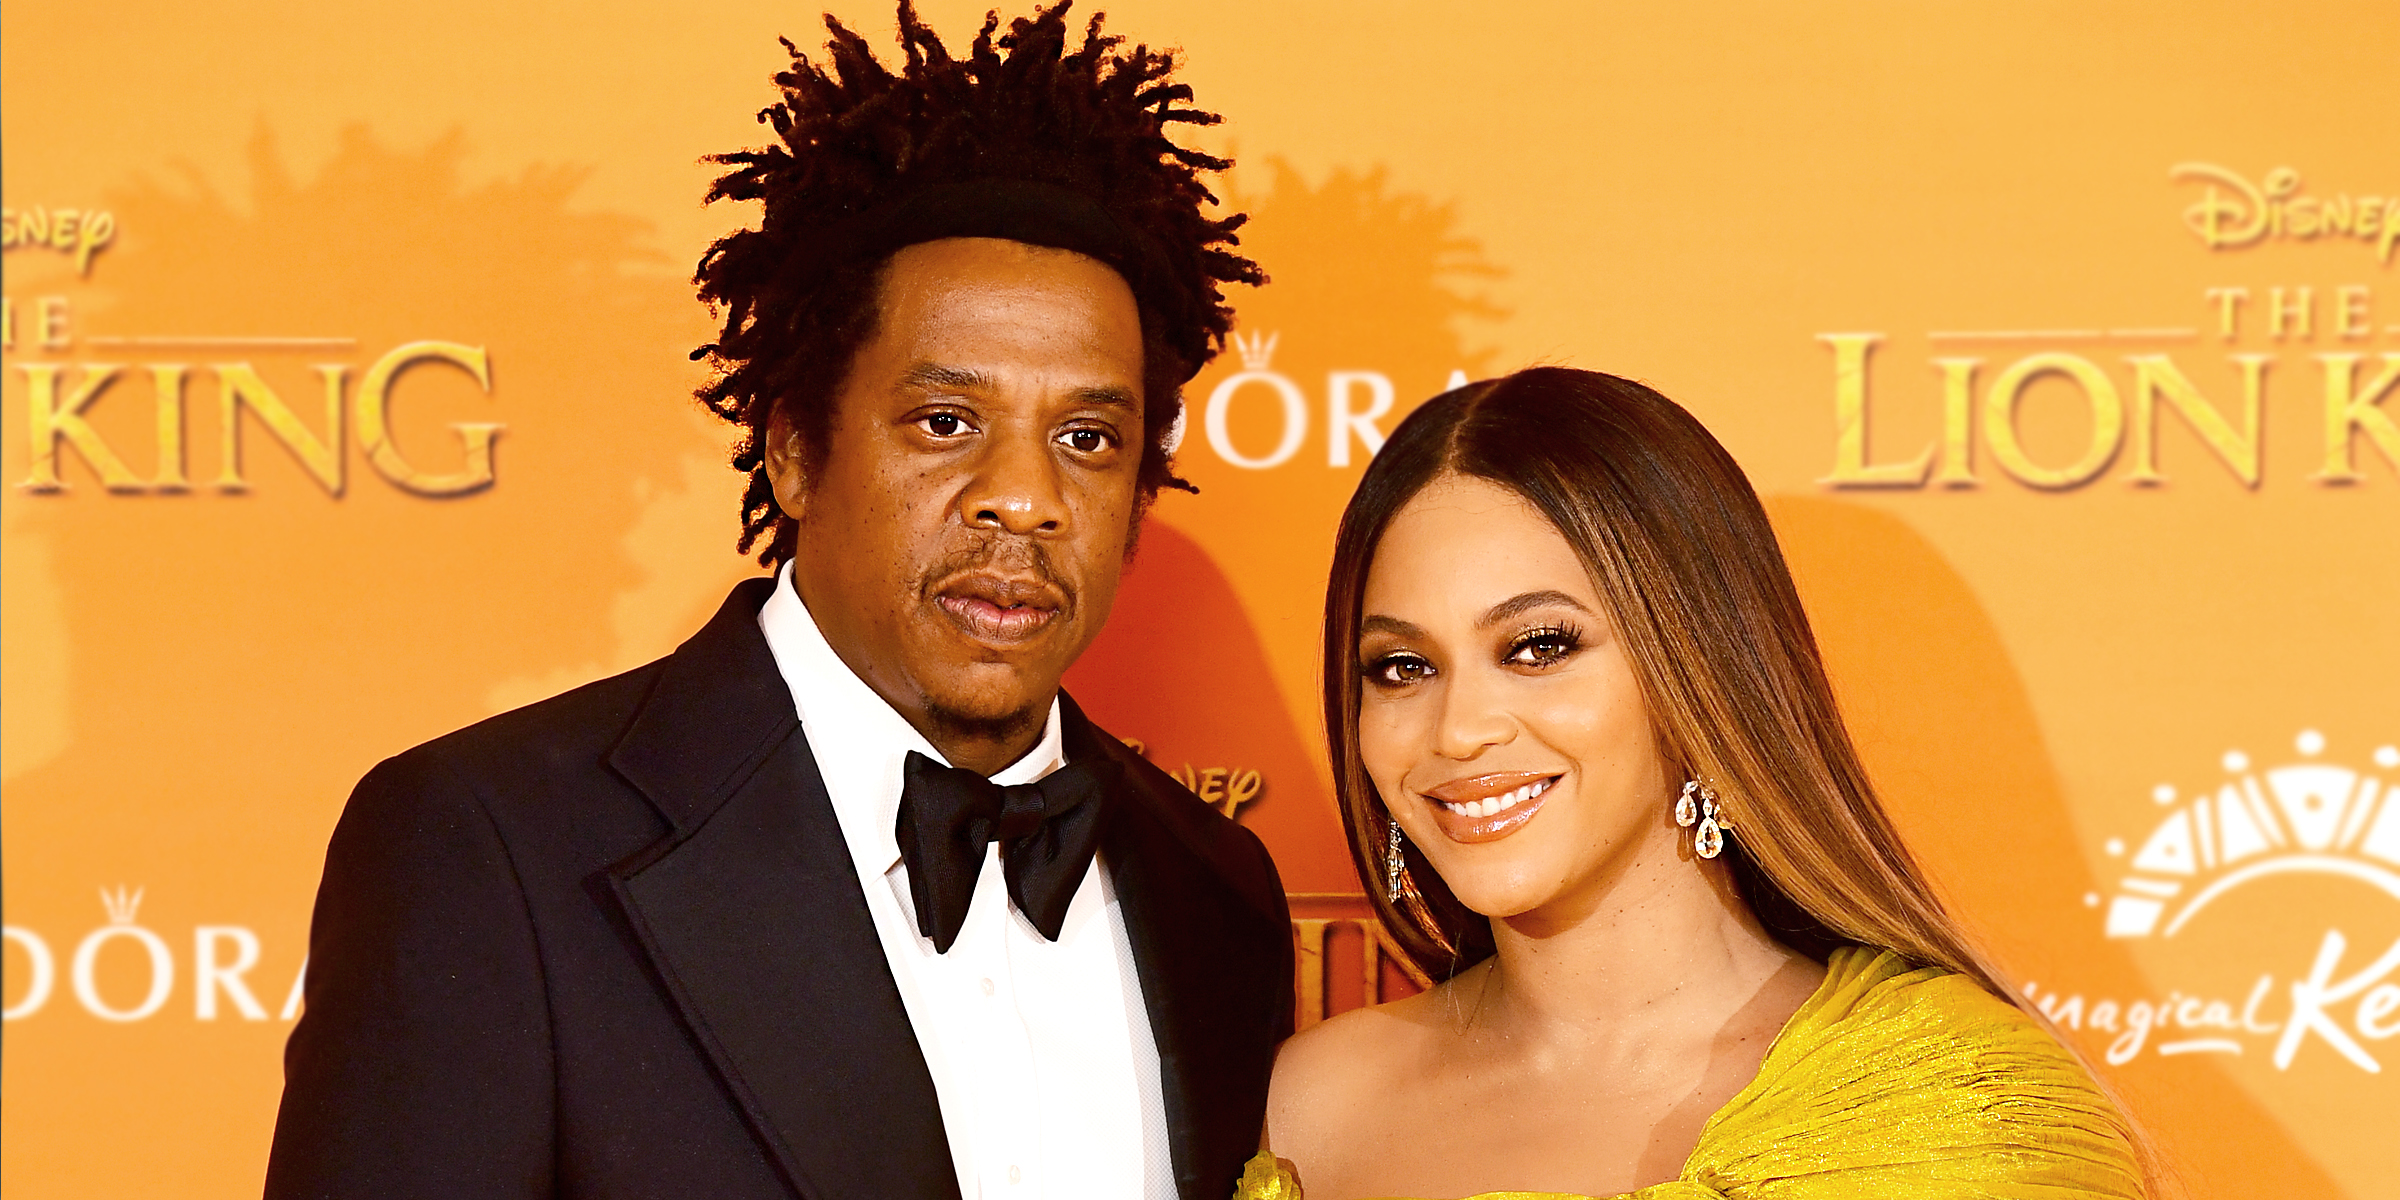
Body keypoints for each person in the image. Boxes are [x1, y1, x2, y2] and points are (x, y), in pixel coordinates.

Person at [264, 6, 1292, 1199]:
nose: (1024, 499)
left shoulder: (1217, 893)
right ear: (795, 449)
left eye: (1086, 436)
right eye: (946, 423)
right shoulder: (489, 851)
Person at [1243, 368, 2145, 1199]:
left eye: (1540, 647)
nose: (1459, 729)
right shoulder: (1312, 1107)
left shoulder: (1951, 1109)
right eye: (1402, 667)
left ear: (1695, 671)